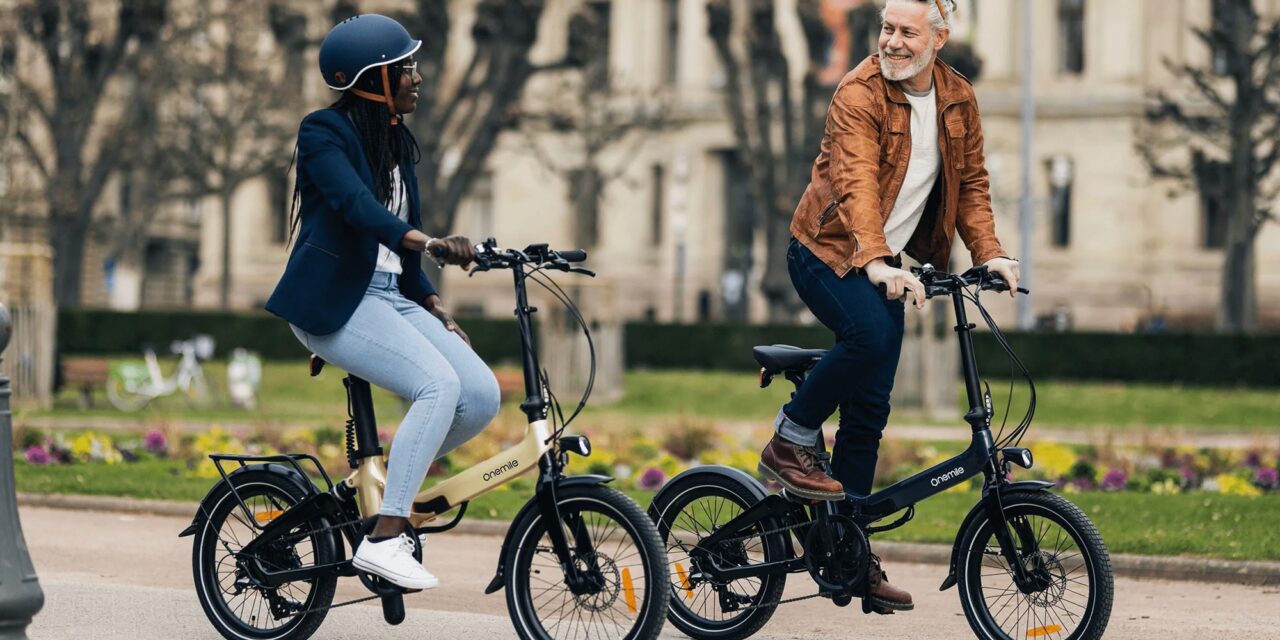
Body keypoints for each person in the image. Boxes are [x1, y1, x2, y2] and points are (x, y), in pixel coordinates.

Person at [756, 0, 1020, 612]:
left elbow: (973, 186)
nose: (893, 43)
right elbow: (856, 183)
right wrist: (876, 260)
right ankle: (791, 437)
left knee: (871, 407)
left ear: (939, 38)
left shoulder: (958, 98)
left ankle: (844, 551)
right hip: (824, 252)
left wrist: (993, 254)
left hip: (886, 263)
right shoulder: (858, 93)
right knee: (870, 339)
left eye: (907, 32)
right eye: (887, 29)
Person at [265, 14, 501, 591]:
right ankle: (386, 537)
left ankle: (377, 497)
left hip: (393, 298)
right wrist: (428, 242)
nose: (417, 78)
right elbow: (355, 207)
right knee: (437, 387)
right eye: (406, 68)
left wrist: (434, 303)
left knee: (479, 395)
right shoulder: (322, 132)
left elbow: (403, 245)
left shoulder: (395, 140)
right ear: (374, 79)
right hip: (335, 304)